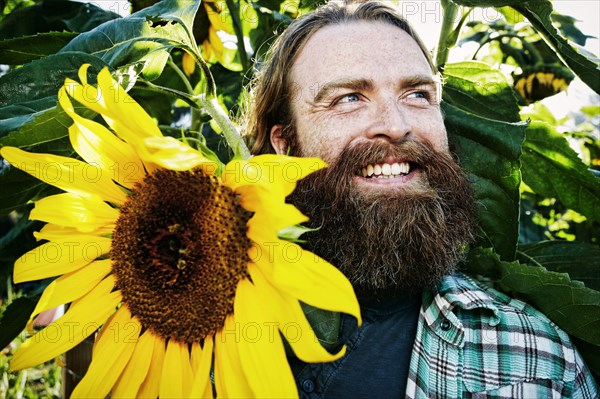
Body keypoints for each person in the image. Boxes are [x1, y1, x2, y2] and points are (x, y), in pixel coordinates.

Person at [243, 1, 599, 398]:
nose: (396, 126)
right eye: (349, 98)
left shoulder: (534, 362)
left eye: (417, 94)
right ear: (284, 145)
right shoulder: (204, 326)